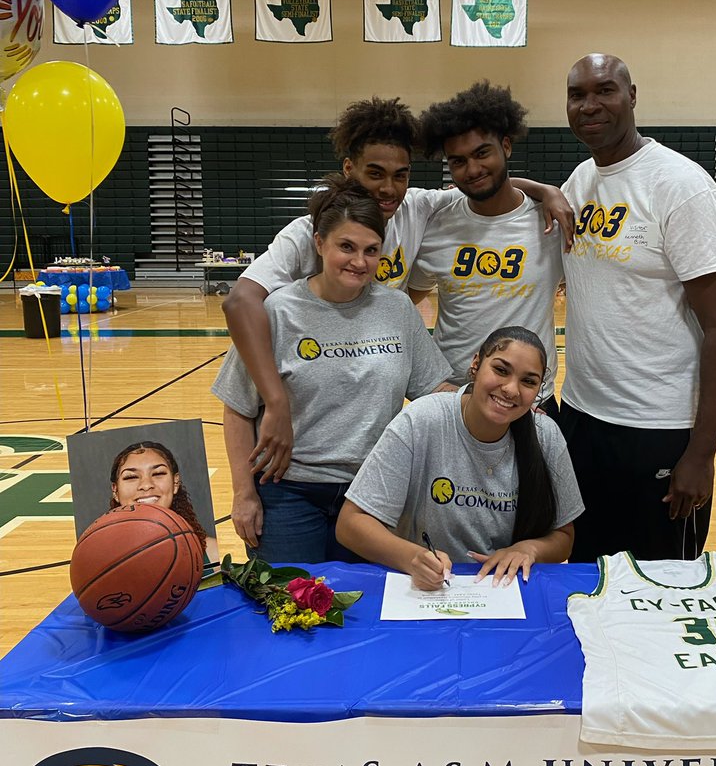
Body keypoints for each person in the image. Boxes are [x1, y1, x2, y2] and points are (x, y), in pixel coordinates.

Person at [223, 96, 573, 481]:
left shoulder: (417, 208)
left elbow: (484, 183)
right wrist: (274, 402)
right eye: (374, 173)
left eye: (400, 175)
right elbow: (240, 301)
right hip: (309, 414)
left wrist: (545, 191)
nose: (388, 188)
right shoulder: (310, 232)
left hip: (393, 406)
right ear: (349, 168)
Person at [559, 53, 716, 562]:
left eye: (605, 90)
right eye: (578, 95)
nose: (590, 105)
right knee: (585, 575)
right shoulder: (580, 182)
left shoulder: (680, 188)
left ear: (632, 96)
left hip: (659, 432)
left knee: (660, 585)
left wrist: (701, 454)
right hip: (583, 419)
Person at [212, 177, 452, 565]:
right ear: (320, 243)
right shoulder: (276, 311)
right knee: (290, 608)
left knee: (365, 615)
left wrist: (492, 402)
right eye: (347, 246)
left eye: (371, 250)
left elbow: (434, 390)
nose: (359, 262)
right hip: (287, 492)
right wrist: (243, 494)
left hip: (372, 494)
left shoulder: (397, 310)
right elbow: (238, 408)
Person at [336, 326, 583, 590]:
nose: (511, 389)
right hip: (427, 590)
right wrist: (411, 557)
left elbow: (563, 537)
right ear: (476, 364)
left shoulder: (545, 434)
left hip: (504, 591)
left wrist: (529, 549)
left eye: (528, 381)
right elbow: (350, 523)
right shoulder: (422, 419)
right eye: (501, 370)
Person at [408, 82, 565, 413]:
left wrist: (546, 190)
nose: (473, 169)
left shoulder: (550, 221)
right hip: (452, 397)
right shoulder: (438, 224)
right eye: (459, 161)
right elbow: (404, 303)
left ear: (506, 146)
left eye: (482, 153)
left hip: (529, 400)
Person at [108, 440, 217, 575]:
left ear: (175, 482)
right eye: (131, 477)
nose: (146, 485)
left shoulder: (213, 554)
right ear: (115, 490)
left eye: (158, 473)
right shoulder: (98, 558)